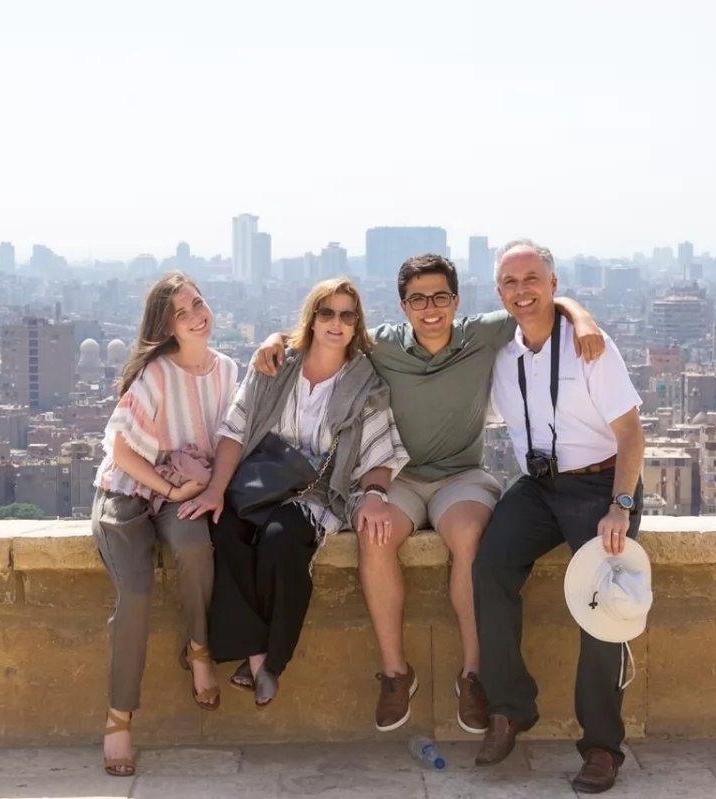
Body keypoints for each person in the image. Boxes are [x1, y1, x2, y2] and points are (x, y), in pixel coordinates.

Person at [252, 254, 605, 734]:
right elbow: (326, 336)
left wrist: (581, 317)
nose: (430, 308)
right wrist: (276, 340)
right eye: (417, 299)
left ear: (456, 300)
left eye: (440, 296)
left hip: (461, 475)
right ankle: (396, 673)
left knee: (468, 536)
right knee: (374, 535)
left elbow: (537, 302)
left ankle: (473, 674)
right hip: (396, 477)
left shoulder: (482, 334)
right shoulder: (382, 347)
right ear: (403, 306)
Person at [184, 277, 410, 709]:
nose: (336, 323)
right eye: (327, 312)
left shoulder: (366, 384)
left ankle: (272, 662)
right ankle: (256, 651)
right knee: (223, 529)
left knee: (280, 540)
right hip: (257, 480)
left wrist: (377, 495)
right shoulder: (274, 365)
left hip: (314, 492)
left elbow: (380, 450)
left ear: (357, 323)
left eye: (347, 315)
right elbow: (234, 430)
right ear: (312, 318)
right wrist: (215, 490)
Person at [472, 239, 645, 795]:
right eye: (509, 283)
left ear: (552, 283)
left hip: (601, 485)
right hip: (539, 487)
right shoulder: (500, 348)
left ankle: (600, 745)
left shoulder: (590, 346)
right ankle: (510, 708)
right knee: (490, 567)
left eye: (532, 279)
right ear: (499, 293)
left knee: (602, 601)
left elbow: (631, 434)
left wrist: (620, 504)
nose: (521, 291)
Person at [91, 272, 239, 778]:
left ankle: (199, 648)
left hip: (185, 488)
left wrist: (190, 491)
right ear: (168, 326)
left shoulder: (228, 371)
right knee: (134, 595)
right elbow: (120, 449)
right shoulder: (155, 374)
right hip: (131, 489)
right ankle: (119, 717)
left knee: (196, 547)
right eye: (182, 311)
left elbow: (229, 441)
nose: (197, 314)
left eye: (198, 302)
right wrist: (170, 489)